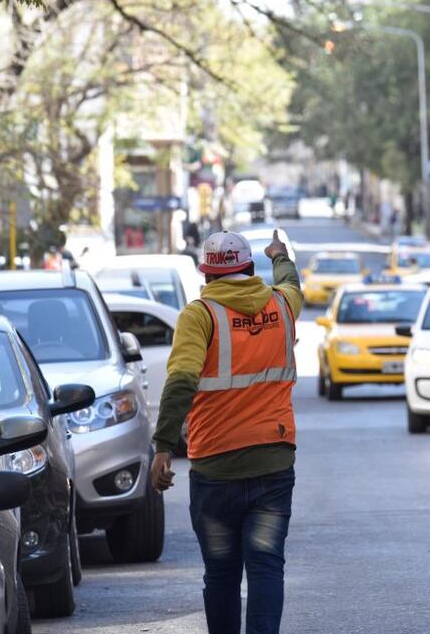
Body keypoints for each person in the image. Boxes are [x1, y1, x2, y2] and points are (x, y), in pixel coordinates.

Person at [150, 230, 303, 634]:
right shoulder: (282, 305)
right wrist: (280, 255)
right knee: (267, 565)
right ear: (249, 268)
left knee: (221, 574)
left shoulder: (199, 315)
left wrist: (164, 446)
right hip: (273, 463)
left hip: (215, 469)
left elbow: (181, 380)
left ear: (207, 276)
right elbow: (291, 282)